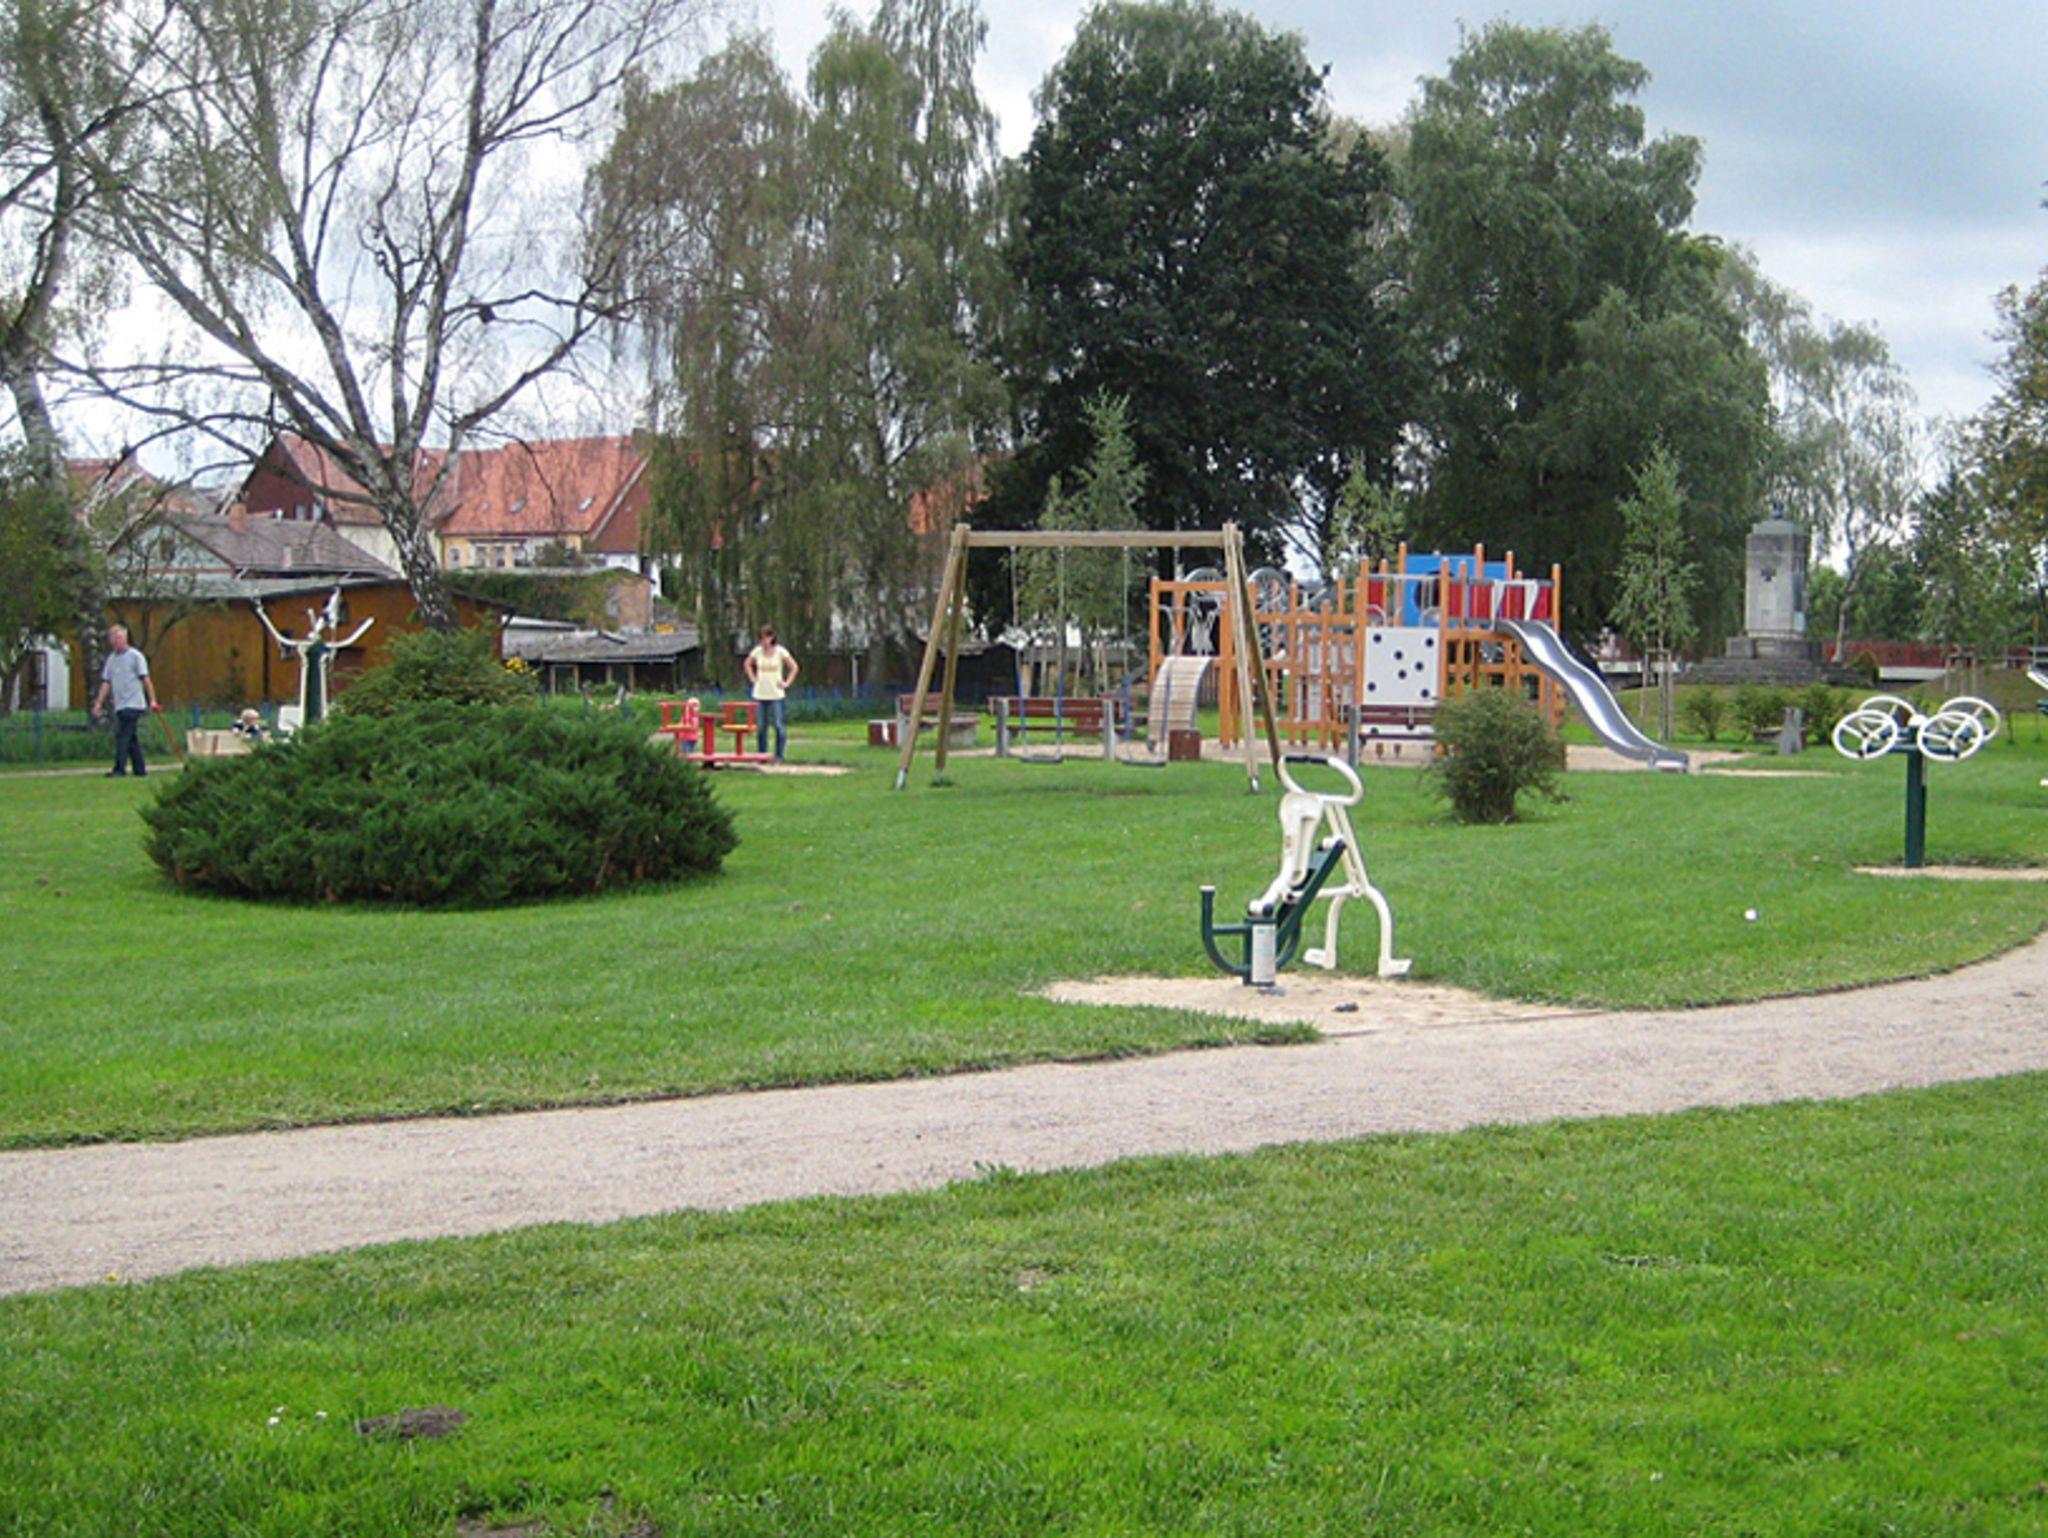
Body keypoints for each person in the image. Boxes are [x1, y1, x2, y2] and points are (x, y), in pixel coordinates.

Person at [91, 625, 160, 778]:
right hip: (120, 705)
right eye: (114, 638)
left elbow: (146, 679)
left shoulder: (136, 656)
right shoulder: (112, 660)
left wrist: (153, 700)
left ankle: (119, 768)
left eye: (120, 638)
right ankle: (140, 769)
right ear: (110, 640)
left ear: (126, 638)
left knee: (123, 736)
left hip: (134, 704)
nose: (117, 641)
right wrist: (98, 703)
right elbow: (106, 683)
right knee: (131, 738)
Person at [744, 625, 798, 760]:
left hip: (776, 694)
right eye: (761, 638)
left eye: (766, 638)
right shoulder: (757, 651)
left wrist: (787, 683)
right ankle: (762, 755)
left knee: (779, 725)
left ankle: (779, 755)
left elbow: (794, 667)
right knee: (761, 726)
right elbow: (747, 663)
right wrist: (752, 678)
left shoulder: (780, 651)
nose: (764, 641)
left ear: (772, 638)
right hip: (760, 693)